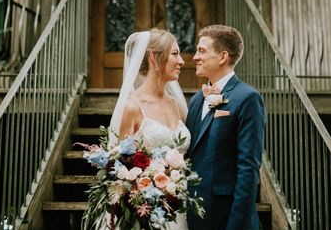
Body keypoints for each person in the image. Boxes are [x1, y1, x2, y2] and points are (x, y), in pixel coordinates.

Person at [186, 25, 266, 230]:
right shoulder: (196, 100)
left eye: (202, 51)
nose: (195, 57)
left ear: (222, 57)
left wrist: (237, 224)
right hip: (194, 215)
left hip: (228, 216)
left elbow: (248, 168)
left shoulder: (248, 98)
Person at [109, 29, 191, 230]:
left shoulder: (177, 105)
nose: (182, 61)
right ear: (155, 58)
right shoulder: (132, 107)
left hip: (182, 207)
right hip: (147, 213)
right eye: (175, 54)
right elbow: (117, 167)